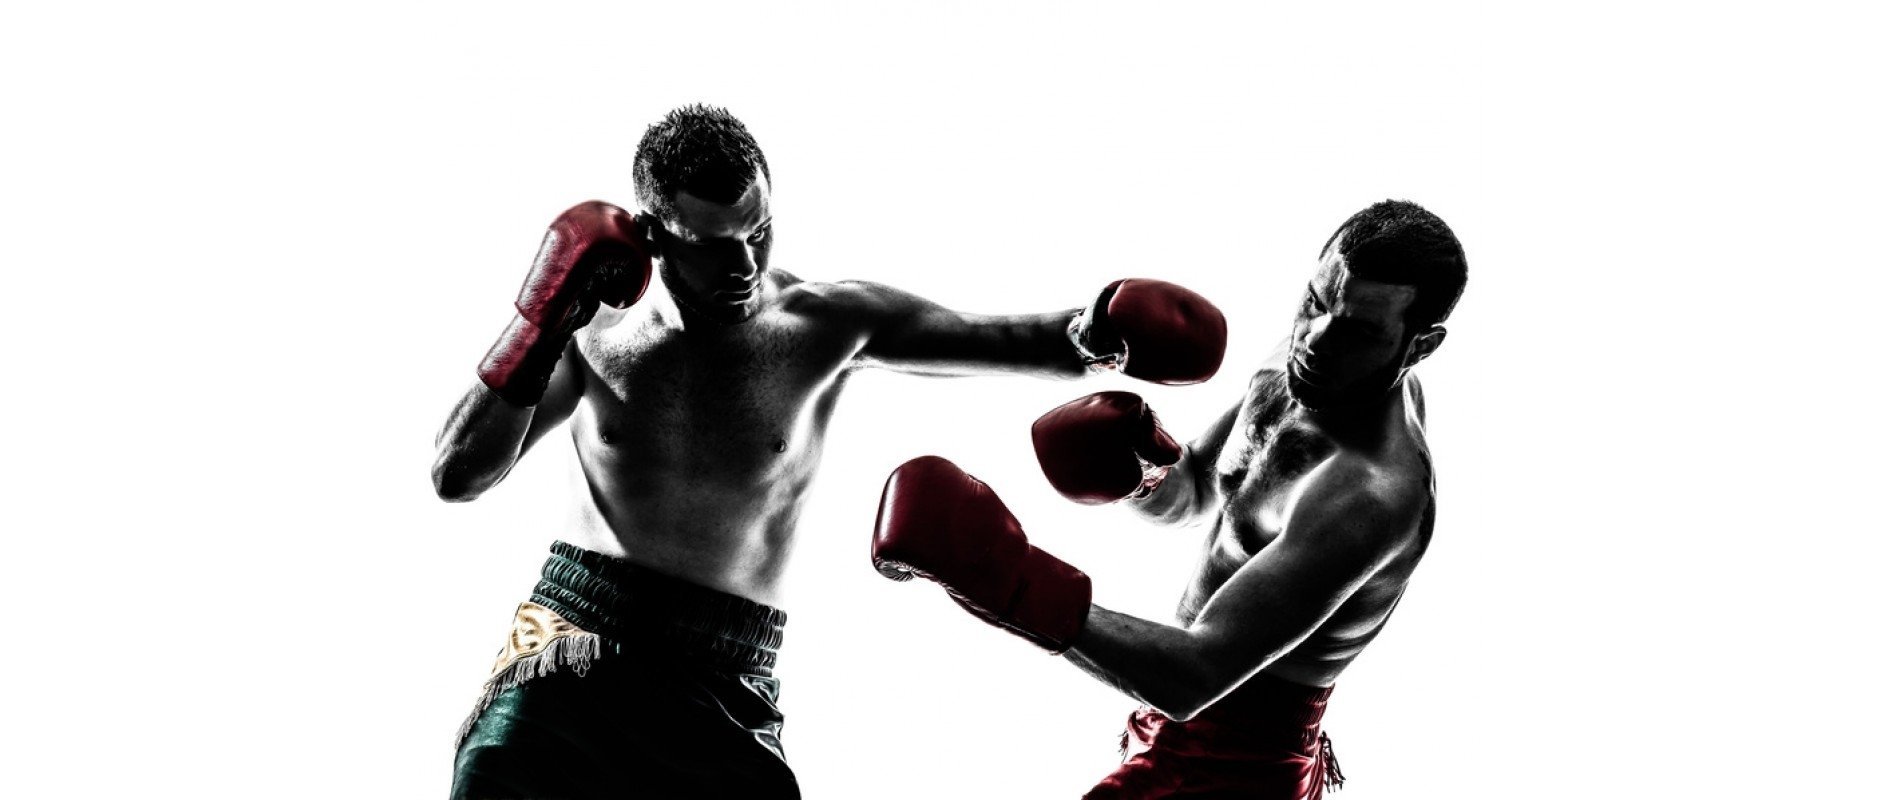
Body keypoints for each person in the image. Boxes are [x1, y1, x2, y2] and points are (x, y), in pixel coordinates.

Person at [432, 104, 1227, 799]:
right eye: (713, 244)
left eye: (759, 230)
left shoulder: (822, 324)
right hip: (575, 649)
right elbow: (457, 475)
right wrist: (537, 325)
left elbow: (1005, 338)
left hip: (727, 672)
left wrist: (1102, 331)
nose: (746, 265)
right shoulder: (593, 331)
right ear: (652, 236)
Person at [872, 199, 1466, 798]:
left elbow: (1193, 677)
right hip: (1174, 716)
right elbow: (1200, 490)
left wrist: (1004, 576)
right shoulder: (1302, 368)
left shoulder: (1370, 495)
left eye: (1359, 331)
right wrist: (1140, 471)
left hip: (1237, 764)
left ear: (1421, 346)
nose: (1317, 338)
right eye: (1315, 302)